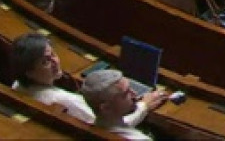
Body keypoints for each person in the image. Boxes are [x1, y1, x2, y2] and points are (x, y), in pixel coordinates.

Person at [11, 34, 166, 129]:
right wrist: (144, 106)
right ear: (29, 72)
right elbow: (107, 129)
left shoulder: (17, 85)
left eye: (53, 54)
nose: (56, 62)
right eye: (46, 62)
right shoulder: (65, 101)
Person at [81, 69, 158, 139]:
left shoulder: (97, 126)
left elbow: (121, 124)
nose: (135, 93)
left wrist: (144, 105)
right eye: (126, 94)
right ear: (106, 108)